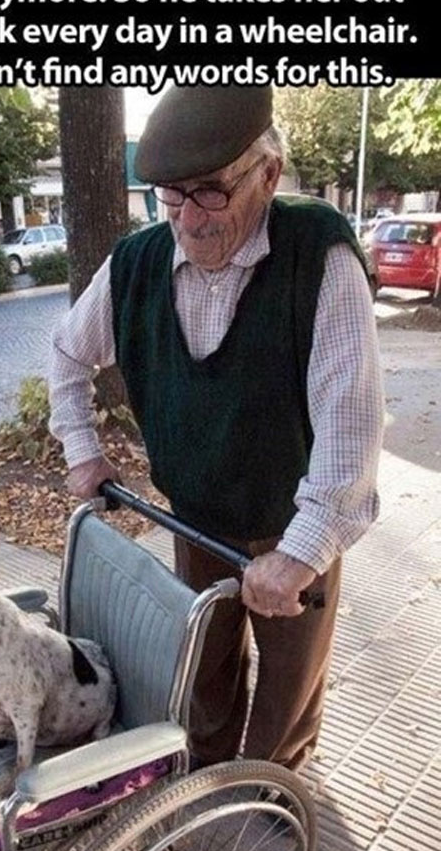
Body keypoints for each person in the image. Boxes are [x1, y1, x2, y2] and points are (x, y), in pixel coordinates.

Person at [48, 85, 384, 772]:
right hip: (195, 515)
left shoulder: (318, 257)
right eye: (171, 195)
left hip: (291, 518)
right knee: (204, 666)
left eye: (210, 192)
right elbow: (65, 350)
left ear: (267, 174)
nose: (188, 220)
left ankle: (273, 784)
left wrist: (299, 555)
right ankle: (204, 770)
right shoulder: (137, 261)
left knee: (289, 681)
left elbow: (350, 432)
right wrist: (82, 449)